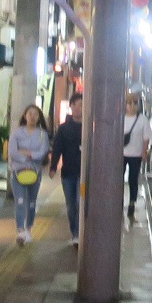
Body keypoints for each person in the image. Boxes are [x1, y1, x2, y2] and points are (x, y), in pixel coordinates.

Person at [7, 105, 51, 246]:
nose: (32, 116)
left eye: (35, 114)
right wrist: (28, 157)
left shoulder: (42, 134)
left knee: (32, 202)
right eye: (30, 113)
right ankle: (20, 230)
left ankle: (29, 228)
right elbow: (13, 152)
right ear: (25, 116)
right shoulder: (16, 133)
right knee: (20, 201)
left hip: (35, 173)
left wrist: (27, 153)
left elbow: (42, 152)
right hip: (18, 172)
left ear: (39, 118)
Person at [51, 93, 84, 246]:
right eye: (75, 105)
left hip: (83, 174)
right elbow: (57, 148)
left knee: (79, 202)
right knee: (70, 205)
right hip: (68, 173)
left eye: (81, 105)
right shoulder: (64, 128)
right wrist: (53, 166)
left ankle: (78, 233)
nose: (78, 108)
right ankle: (74, 231)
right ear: (70, 106)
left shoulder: (90, 127)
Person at [123, 91, 152, 223]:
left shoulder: (142, 119)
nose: (132, 106)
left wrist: (144, 152)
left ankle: (132, 203)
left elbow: (146, 137)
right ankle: (119, 201)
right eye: (129, 103)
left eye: (135, 103)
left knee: (133, 179)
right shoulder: (120, 118)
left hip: (136, 154)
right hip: (121, 154)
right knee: (119, 179)